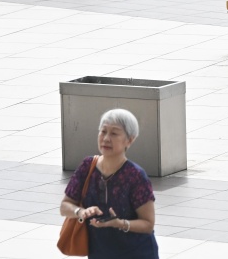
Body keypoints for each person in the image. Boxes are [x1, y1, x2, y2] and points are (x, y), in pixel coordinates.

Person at [59, 109, 158, 259]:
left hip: (136, 253)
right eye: (103, 131)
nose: (106, 138)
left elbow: (148, 224)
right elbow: (65, 206)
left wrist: (120, 223)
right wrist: (81, 212)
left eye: (114, 133)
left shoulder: (135, 175)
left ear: (129, 140)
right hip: (99, 252)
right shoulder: (87, 166)